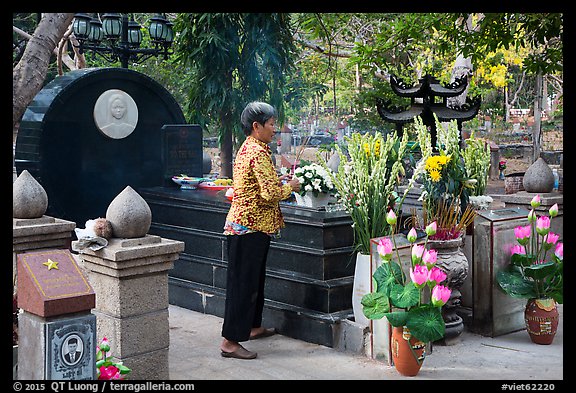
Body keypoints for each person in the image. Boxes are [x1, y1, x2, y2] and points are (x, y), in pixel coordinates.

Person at [220, 101, 300, 360]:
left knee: (253, 281)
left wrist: (279, 181)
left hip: (253, 227)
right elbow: (269, 193)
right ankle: (230, 342)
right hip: (248, 228)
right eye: (271, 124)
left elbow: (261, 185)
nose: (274, 129)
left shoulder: (253, 148)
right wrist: (291, 186)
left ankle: (252, 327)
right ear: (257, 126)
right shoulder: (257, 152)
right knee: (242, 285)